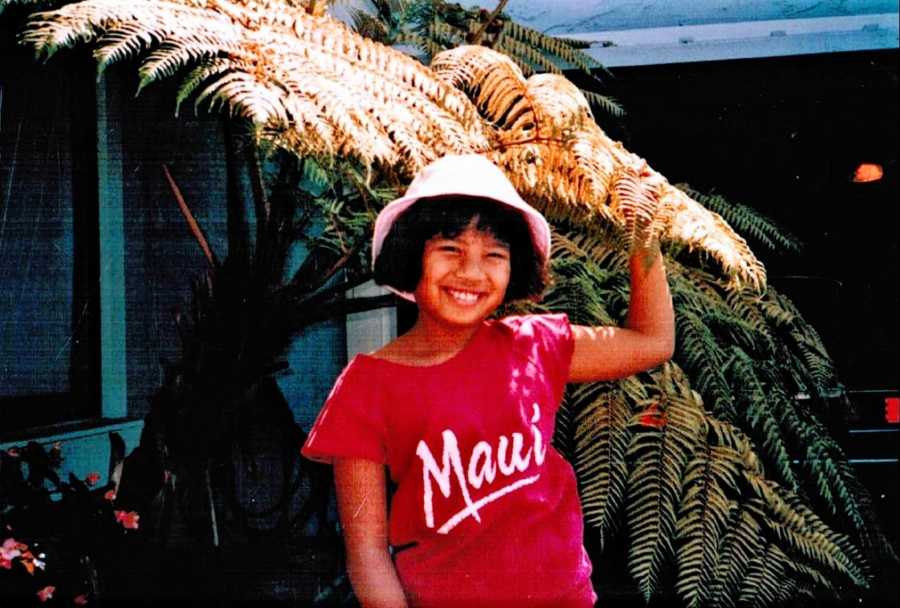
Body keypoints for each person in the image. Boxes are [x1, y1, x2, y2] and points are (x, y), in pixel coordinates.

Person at [302, 154, 674, 607]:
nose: (471, 272)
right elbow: (367, 554)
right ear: (408, 254)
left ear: (514, 268)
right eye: (450, 250)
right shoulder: (366, 387)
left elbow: (652, 340)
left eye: (494, 255)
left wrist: (644, 232)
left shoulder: (535, 346)